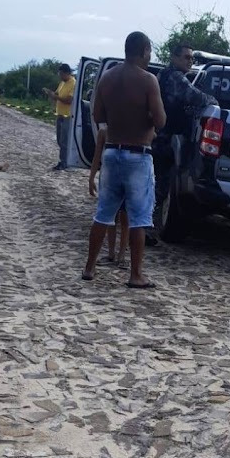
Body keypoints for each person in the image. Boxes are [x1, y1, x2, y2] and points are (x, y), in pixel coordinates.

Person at [81, 31, 166, 289]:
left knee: (104, 214)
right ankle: (136, 274)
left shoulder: (106, 78)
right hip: (138, 155)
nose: (150, 57)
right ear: (143, 51)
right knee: (139, 217)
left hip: (111, 151)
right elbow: (161, 121)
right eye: (149, 52)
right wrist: (147, 119)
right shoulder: (149, 81)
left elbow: (97, 115)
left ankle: (89, 268)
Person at [154, 42, 218, 211]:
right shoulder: (175, 77)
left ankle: (136, 224)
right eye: (187, 57)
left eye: (192, 58)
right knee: (159, 188)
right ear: (174, 58)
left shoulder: (164, 74)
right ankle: (139, 228)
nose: (190, 61)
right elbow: (195, 97)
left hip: (160, 137)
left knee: (155, 185)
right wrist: (214, 102)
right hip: (164, 140)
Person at [89, 126, 130, 266]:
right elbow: (97, 155)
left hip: (124, 178)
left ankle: (121, 255)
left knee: (125, 218)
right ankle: (112, 253)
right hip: (109, 178)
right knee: (111, 218)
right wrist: (92, 177)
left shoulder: (131, 130)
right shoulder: (104, 132)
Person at [43, 64, 76, 171]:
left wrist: (55, 97)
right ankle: (64, 161)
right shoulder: (62, 83)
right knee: (59, 140)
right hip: (60, 114)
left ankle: (64, 163)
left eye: (61, 74)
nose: (60, 76)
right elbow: (57, 94)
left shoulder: (73, 83)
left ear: (67, 73)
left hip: (67, 115)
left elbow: (69, 100)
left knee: (64, 140)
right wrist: (50, 93)